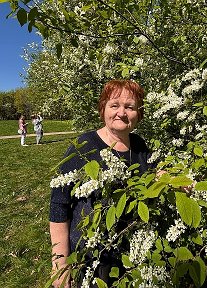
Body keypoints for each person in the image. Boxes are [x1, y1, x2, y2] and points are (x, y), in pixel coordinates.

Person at [49, 80, 153, 287]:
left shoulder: (140, 145)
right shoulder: (84, 147)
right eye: (114, 105)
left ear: (138, 114)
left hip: (132, 257)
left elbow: (155, 174)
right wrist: (60, 264)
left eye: (130, 107)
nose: (121, 113)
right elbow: (59, 207)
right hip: (91, 259)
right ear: (103, 108)